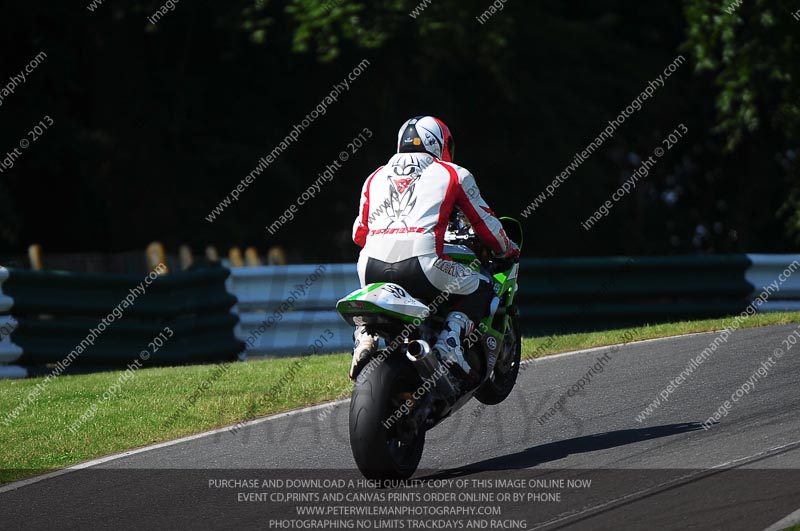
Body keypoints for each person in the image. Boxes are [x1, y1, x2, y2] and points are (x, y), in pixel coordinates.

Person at [349, 116, 519, 381]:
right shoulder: (453, 173)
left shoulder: (374, 177)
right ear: (439, 143)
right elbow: (486, 226)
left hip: (369, 267)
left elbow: (359, 234)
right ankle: (449, 344)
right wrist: (507, 250)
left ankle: (364, 337)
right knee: (483, 285)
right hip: (423, 264)